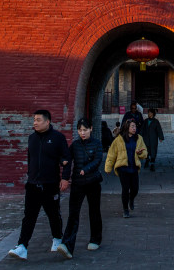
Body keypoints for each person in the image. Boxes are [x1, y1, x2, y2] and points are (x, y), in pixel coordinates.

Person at [8, 110, 70, 261]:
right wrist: (31, 177)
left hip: (50, 184)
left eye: (38, 120)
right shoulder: (32, 138)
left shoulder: (58, 138)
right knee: (29, 216)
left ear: (47, 121)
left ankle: (57, 238)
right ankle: (22, 246)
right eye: (34, 120)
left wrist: (65, 178)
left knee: (54, 214)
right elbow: (31, 160)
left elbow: (66, 159)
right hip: (33, 185)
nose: (34, 123)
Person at [56, 118, 104, 260]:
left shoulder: (97, 144)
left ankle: (95, 239)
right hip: (78, 183)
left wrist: (86, 169)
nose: (82, 133)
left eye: (85, 130)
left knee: (94, 211)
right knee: (73, 214)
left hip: (93, 182)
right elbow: (67, 159)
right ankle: (67, 244)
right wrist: (62, 162)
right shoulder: (75, 145)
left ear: (91, 129)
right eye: (80, 130)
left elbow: (97, 160)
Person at [104, 119, 147, 218]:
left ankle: (131, 199)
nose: (134, 128)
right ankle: (125, 210)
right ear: (127, 127)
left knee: (135, 188)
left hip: (134, 167)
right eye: (132, 126)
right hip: (123, 168)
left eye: (135, 126)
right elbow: (111, 154)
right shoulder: (119, 139)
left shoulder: (139, 138)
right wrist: (108, 167)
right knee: (125, 189)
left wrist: (141, 153)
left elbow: (145, 153)